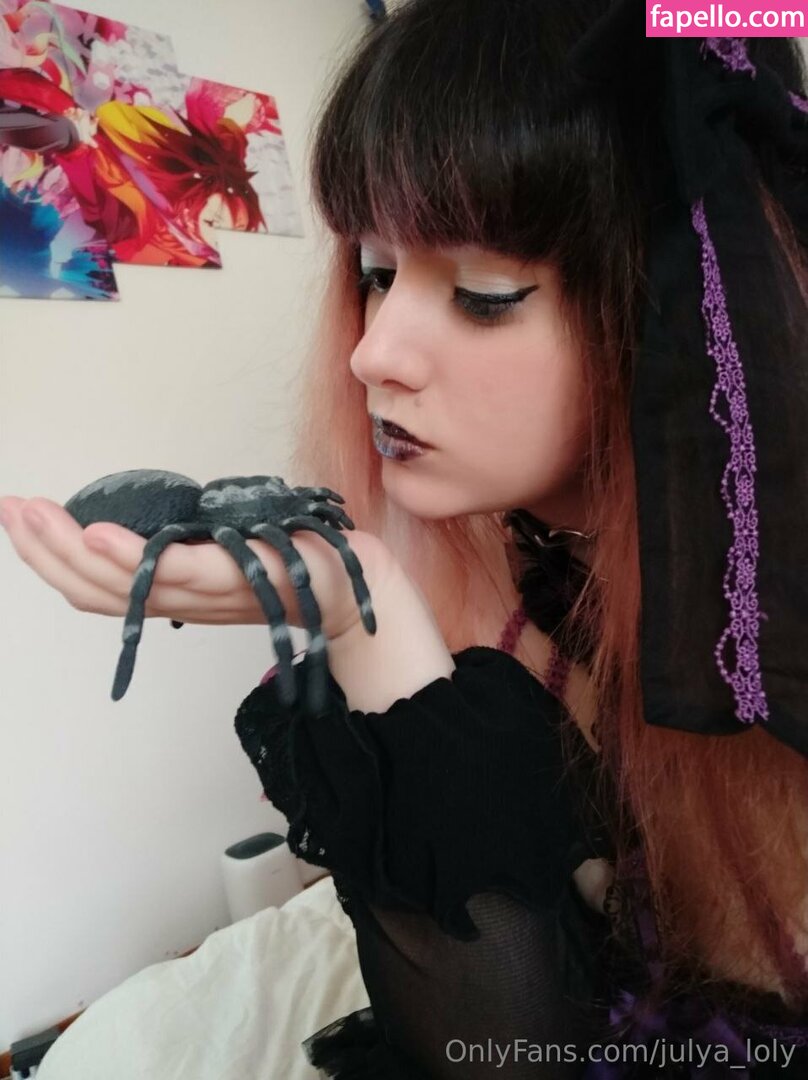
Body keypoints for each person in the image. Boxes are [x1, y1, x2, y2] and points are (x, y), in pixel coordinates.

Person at [3, 0, 808, 1076]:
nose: (372, 352)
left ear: (677, 311)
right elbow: (498, 1023)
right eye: (377, 272)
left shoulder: (770, 629)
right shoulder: (510, 557)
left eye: (482, 293)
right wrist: (357, 604)